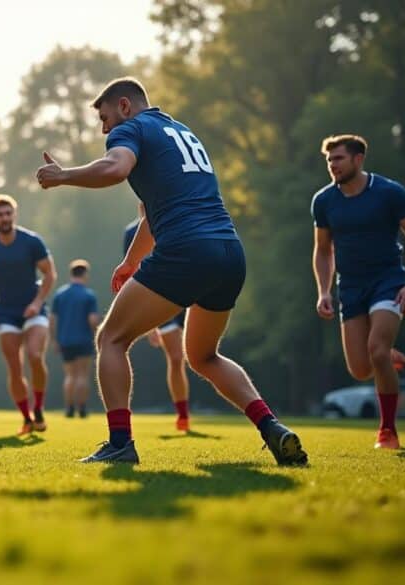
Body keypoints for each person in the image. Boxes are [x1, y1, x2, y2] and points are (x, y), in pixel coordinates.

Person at [36, 76, 307, 465]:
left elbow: (115, 169)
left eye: (105, 117)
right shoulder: (180, 131)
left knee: (111, 339)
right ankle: (272, 427)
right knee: (202, 356)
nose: (104, 128)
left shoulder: (131, 129)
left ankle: (119, 443)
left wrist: (64, 176)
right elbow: (155, 212)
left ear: (125, 106)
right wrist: (131, 261)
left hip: (187, 249)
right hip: (229, 252)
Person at [312, 134, 405, 449]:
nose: (333, 165)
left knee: (375, 351)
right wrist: (324, 291)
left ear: (358, 159)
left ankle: (388, 431)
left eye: (338, 158)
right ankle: (385, 353)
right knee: (361, 369)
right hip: (350, 287)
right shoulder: (323, 201)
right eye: (329, 160)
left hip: (388, 281)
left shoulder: (389, 193)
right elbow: (323, 250)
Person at [0, 194, 56, 434]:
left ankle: (39, 408)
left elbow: (50, 274)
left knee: (34, 355)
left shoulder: (32, 242)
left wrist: (37, 302)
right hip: (7, 312)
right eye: (0, 214)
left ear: (15, 214)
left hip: (33, 308)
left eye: (8, 213)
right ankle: (26, 417)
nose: (5, 218)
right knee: (14, 367)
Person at [124, 210, 193, 432]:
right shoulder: (131, 232)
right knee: (175, 357)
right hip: (159, 297)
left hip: (189, 291)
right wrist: (149, 323)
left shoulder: (177, 218)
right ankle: (183, 415)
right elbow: (133, 271)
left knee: (199, 356)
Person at [50, 259, 101, 419]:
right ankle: (82, 408)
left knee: (70, 375)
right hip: (84, 339)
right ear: (84, 274)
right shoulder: (88, 295)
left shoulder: (60, 294)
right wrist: (98, 335)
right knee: (82, 375)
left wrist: (54, 340)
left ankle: (69, 408)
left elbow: (52, 319)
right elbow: (92, 320)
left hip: (65, 340)